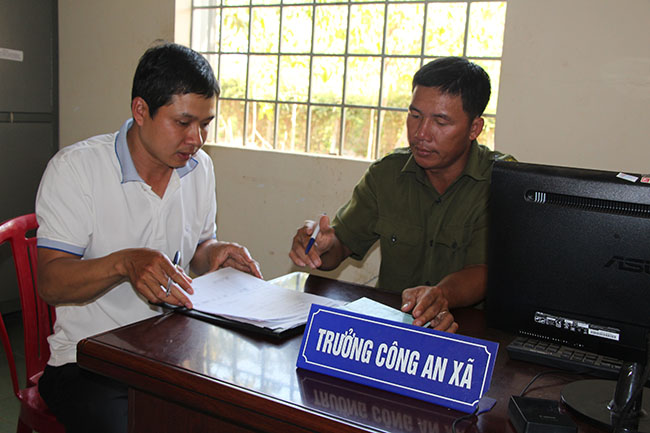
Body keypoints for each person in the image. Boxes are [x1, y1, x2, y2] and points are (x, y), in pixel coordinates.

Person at [35, 42, 261, 433]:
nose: (197, 138)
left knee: (239, 412)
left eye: (205, 123)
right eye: (183, 122)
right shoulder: (76, 170)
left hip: (172, 351)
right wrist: (124, 263)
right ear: (141, 111)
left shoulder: (199, 169)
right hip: (89, 360)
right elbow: (51, 282)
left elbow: (198, 248)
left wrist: (215, 253)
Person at [289, 57, 513, 334]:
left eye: (440, 121)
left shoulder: (501, 182)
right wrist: (319, 246)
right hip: (392, 333)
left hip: (469, 334)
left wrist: (441, 294)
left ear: (474, 129)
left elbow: (487, 270)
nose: (421, 133)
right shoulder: (387, 174)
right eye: (415, 116)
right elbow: (341, 246)